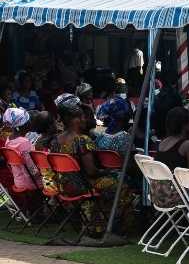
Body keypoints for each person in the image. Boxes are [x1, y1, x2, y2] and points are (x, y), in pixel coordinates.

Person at [48, 94, 134, 236]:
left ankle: (99, 221)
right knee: (121, 183)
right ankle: (117, 226)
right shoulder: (82, 140)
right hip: (82, 185)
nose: (84, 120)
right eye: (80, 117)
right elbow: (92, 172)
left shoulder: (56, 140)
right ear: (71, 120)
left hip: (63, 186)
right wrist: (107, 172)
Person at [2, 107, 42, 196]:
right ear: (22, 125)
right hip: (32, 182)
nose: (29, 123)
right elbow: (33, 171)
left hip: (18, 181)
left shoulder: (8, 141)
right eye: (28, 121)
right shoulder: (24, 143)